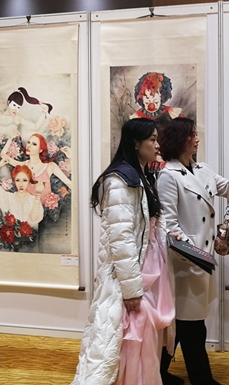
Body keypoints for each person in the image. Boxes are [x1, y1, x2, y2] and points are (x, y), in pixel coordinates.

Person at [72, 118, 177, 385]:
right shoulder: (119, 181)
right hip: (131, 275)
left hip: (147, 269)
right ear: (135, 143)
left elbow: (148, 227)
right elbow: (121, 239)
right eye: (152, 139)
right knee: (123, 342)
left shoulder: (141, 175)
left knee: (142, 341)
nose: (157, 145)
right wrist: (131, 289)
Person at [157, 117, 229, 385]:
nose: (197, 139)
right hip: (184, 264)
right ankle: (199, 379)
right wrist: (197, 255)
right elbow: (169, 226)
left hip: (201, 261)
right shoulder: (168, 176)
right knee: (190, 326)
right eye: (192, 134)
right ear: (180, 140)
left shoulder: (204, 169)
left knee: (185, 325)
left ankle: (160, 374)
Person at [0, 130, 71, 204]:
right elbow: (3, 155)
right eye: (28, 142)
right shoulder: (24, 166)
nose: (29, 146)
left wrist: (71, 158)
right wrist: (10, 138)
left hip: (44, 209)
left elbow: (70, 183)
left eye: (34, 144)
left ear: (40, 150)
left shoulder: (50, 166)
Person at [0, 158, 44, 229]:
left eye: (24, 180)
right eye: (18, 180)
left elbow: (33, 219)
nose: (21, 184)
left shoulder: (33, 199)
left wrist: (38, 194)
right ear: (14, 181)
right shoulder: (8, 198)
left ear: (29, 181)